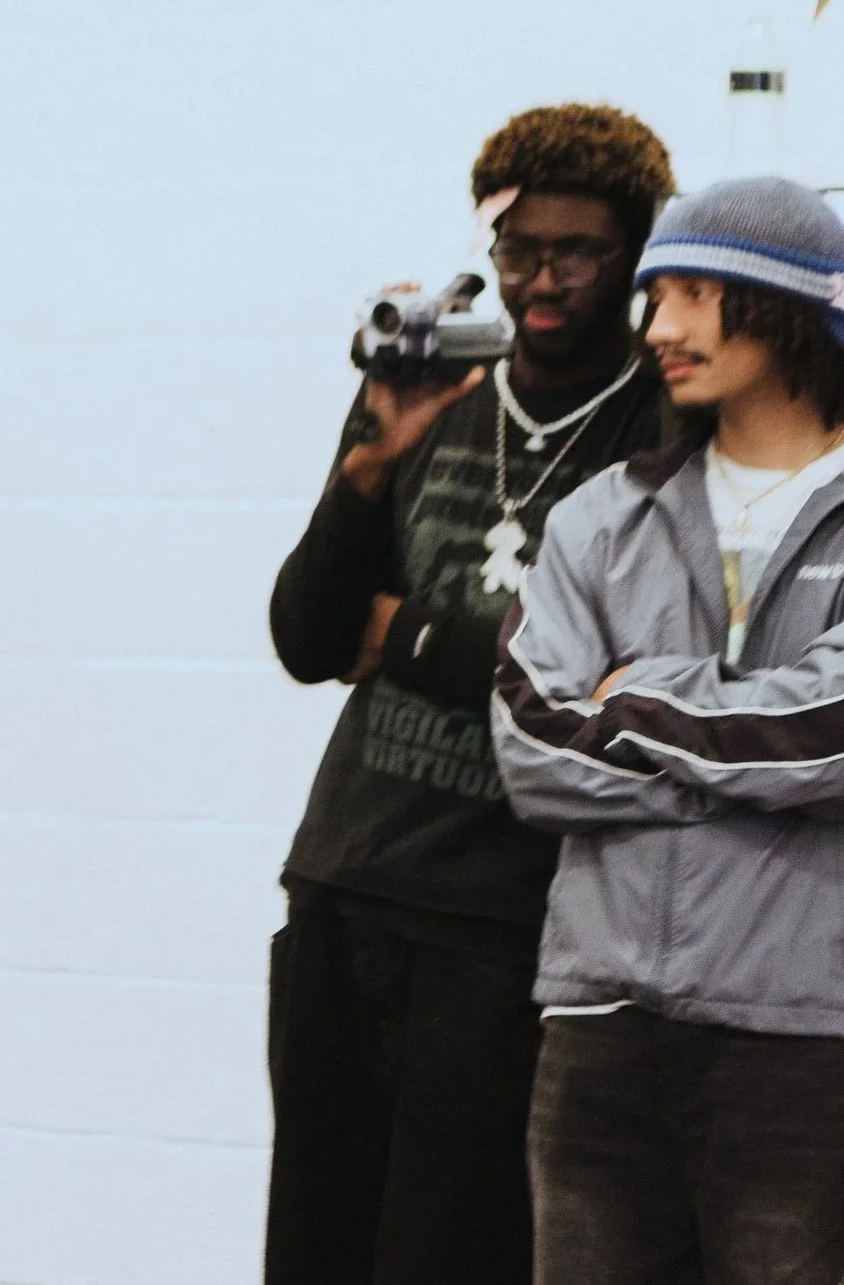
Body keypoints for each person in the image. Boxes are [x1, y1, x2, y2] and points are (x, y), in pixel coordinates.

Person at [263, 103, 675, 1285]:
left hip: (504, 922)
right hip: (344, 876)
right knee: (314, 1249)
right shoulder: (434, 390)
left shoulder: (658, 429)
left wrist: (402, 633)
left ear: (632, 255)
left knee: (452, 1253)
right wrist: (363, 475)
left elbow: (604, 679)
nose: (540, 281)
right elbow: (304, 634)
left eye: (575, 253)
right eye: (517, 251)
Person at [496, 176, 844, 1284]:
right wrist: (747, 747)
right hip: (596, 1030)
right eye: (653, 297)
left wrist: (627, 695)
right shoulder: (599, 514)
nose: (657, 328)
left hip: (800, 1036)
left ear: (784, 306)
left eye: (692, 293)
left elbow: (831, 728)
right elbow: (529, 738)